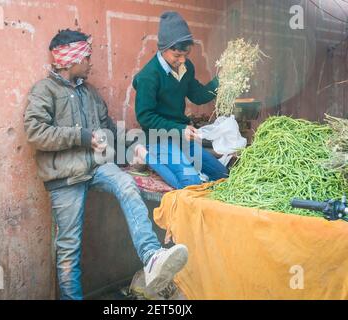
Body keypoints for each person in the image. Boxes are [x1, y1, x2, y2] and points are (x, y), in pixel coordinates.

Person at [24, 29, 188, 300]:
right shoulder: (44, 91)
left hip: (97, 166)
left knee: (126, 184)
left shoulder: (89, 93)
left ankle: (151, 256)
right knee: (68, 248)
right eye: (86, 57)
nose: (90, 62)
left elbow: (109, 128)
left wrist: (133, 146)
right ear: (69, 59)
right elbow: (36, 133)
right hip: (65, 176)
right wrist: (83, 137)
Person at [132, 11, 228, 189]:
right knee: (190, 183)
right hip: (158, 138)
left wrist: (222, 81)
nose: (182, 60)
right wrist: (179, 128)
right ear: (163, 49)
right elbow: (144, 117)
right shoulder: (149, 76)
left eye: (186, 54)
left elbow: (198, 95)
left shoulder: (186, 67)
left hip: (180, 138)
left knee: (221, 175)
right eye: (177, 55)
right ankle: (145, 155)